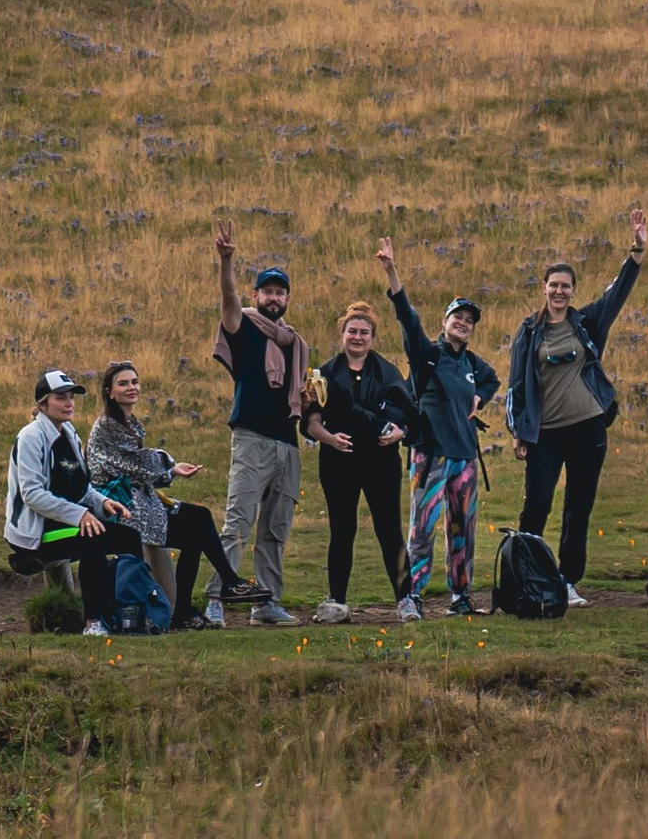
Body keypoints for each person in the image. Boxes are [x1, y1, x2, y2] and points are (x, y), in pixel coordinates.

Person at [505, 209, 647, 608]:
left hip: (587, 428)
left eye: (566, 286)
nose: (559, 292)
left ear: (573, 290)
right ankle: (527, 578)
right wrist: (518, 431)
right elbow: (516, 385)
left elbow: (618, 293)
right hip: (546, 434)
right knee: (536, 507)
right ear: (544, 288)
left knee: (577, 508)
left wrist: (636, 250)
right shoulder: (529, 332)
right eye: (554, 285)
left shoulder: (586, 322)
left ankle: (568, 581)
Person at [380, 235, 498, 619]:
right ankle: (410, 596)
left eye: (469, 321)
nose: (463, 324)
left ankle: (460, 597)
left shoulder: (472, 363)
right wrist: (392, 272)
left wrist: (479, 395)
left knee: (462, 531)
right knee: (422, 529)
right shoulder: (427, 354)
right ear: (444, 323)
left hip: (465, 460)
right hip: (429, 455)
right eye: (457, 318)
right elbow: (406, 317)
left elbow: (492, 380)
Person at [89, 361, 240, 627]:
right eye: (123, 383)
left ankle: (189, 606)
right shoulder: (107, 425)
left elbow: (139, 469)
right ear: (110, 392)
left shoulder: (129, 423)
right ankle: (224, 584)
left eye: (134, 382)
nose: (131, 387)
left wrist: (171, 471)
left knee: (198, 524)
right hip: (120, 506)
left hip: (141, 501)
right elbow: (132, 464)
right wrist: (169, 464)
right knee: (198, 522)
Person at [212, 223, 306, 626]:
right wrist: (228, 259)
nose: (273, 297)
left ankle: (265, 604)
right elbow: (228, 300)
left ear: (286, 299)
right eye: (267, 291)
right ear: (256, 296)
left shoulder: (294, 342)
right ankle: (216, 597)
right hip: (251, 438)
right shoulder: (244, 327)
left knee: (275, 529)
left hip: (288, 443)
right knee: (238, 522)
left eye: (279, 292)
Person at [305, 300, 419, 620]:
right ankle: (337, 601)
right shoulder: (324, 373)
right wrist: (330, 439)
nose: (357, 337)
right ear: (341, 334)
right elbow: (311, 421)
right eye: (352, 331)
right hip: (338, 461)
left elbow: (410, 416)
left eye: (364, 333)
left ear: (373, 337)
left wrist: (399, 433)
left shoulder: (388, 372)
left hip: (380, 461)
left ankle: (405, 599)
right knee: (342, 530)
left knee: (389, 530)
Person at [3, 367, 122, 628]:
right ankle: (93, 621)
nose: (69, 403)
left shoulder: (69, 433)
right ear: (43, 404)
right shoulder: (31, 437)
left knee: (130, 537)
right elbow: (33, 495)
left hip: (63, 523)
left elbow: (81, 487)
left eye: (71, 397)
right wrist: (79, 515)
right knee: (95, 539)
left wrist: (101, 502)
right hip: (34, 532)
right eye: (60, 397)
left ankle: (129, 612)